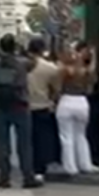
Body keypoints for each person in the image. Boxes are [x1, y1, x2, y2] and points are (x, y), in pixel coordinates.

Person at [0, 34, 42, 189]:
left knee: (2, 143)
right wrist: (22, 51)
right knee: (24, 143)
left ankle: (4, 177)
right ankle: (28, 176)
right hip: (20, 104)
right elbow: (35, 62)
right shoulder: (23, 63)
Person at [56, 42, 98, 176]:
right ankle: (85, 164)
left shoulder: (66, 70)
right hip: (82, 102)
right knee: (81, 135)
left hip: (66, 100)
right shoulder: (86, 71)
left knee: (66, 137)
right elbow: (92, 80)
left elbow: (57, 85)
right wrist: (94, 56)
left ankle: (70, 167)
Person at [27, 38, 61, 181]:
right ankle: (39, 169)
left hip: (24, 106)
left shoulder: (22, 65)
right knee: (41, 139)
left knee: (26, 140)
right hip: (42, 106)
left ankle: (27, 166)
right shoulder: (50, 68)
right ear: (43, 49)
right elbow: (57, 89)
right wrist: (51, 100)